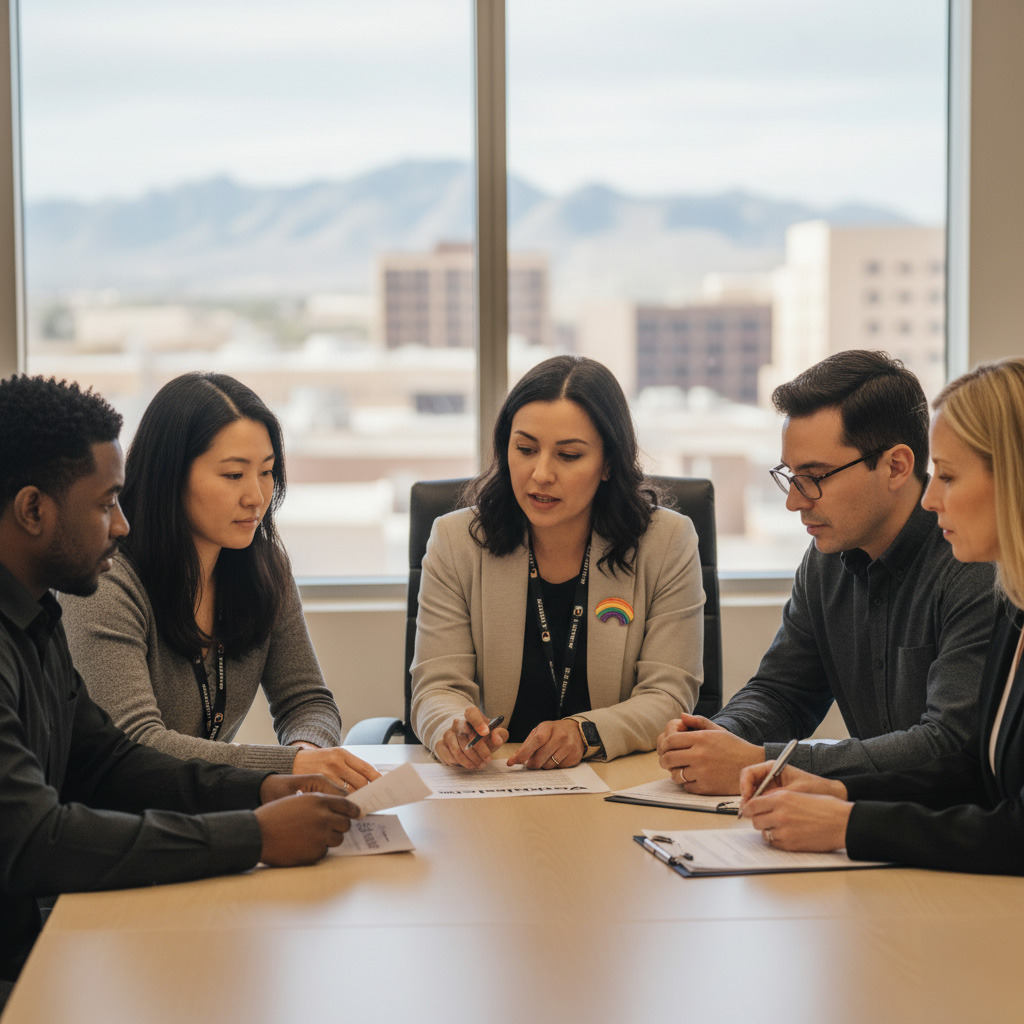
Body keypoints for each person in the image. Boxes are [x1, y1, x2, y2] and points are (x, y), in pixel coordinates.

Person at [0, 375, 359, 991]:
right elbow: (35, 838)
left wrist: (265, 786)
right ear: (34, 509)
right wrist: (251, 833)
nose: (122, 525)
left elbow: (109, 761)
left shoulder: (36, 618)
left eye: (267, 472)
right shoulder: (88, 594)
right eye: (106, 502)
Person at [657, 350, 996, 794]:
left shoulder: (974, 564)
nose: (794, 501)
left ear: (896, 466)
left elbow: (948, 748)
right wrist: (717, 736)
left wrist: (765, 763)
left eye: (815, 476)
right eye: (791, 475)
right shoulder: (826, 558)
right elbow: (783, 693)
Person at [740, 357, 1024, 873]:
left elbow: (961, 766)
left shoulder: (982, 580)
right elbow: (970, 775)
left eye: (949, 476)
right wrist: (837, 789)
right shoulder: (1017, 606)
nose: (931, 498)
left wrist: (847, 821)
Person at [60, 372, 378, 791]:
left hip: (211, 809)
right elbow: (135, 744)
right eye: (233, 475)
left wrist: (306, 753)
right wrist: (287, 767)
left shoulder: (265, 569)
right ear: (170, 475)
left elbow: (307, 701)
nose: (256, 496)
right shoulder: (108, 579)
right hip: (118, 821)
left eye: (266, 472)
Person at [410, 354, 704, 769]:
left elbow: (668, 696)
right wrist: (452, 726)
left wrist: (585, 733)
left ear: (607, 463)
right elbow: (436, 687)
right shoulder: (457, 541)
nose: (541, 474)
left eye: (568, 456)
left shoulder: (666, 542)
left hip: (611, 781)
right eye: (525, 449)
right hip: (495, 781)